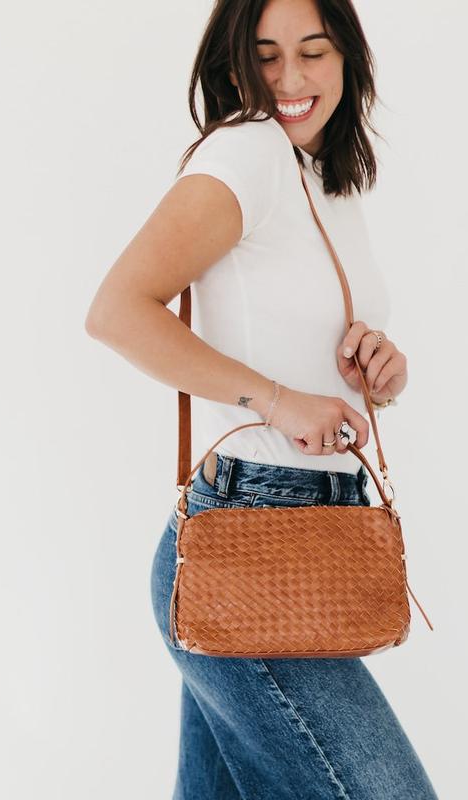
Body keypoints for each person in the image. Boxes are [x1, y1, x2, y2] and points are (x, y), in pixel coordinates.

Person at [85, 0, 438, 797]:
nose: (289, 79)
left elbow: (287, 331)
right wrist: (276, 401)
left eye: (312, 52)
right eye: (266, 55)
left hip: (301, 534)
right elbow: (117, 311)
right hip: (249, 538)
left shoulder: (322, 175)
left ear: (347, 58)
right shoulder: (246, 152)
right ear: (235, 63)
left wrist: (378, 369)